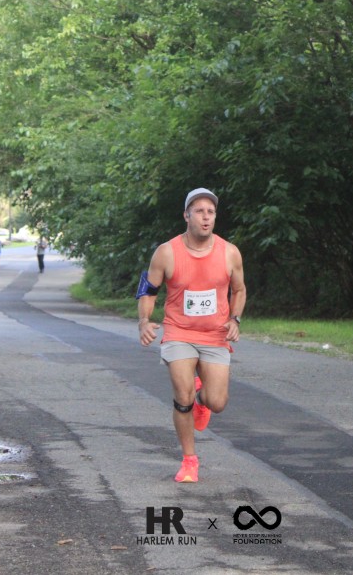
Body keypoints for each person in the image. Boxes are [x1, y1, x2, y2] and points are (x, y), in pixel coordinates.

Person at [137, 188, 246, 483]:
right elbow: (148, 289)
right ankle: (189, 461)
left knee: (217, 402)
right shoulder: (167, 252)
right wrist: (144, 321)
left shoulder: (229, 252)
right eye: (199, 211)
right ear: (186, 216)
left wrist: (235, 318)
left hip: (215, 334)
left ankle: (202, 398)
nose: (206, 217)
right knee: (181, 395)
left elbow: (239, 289)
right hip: (178, 332)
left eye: (211, 212)